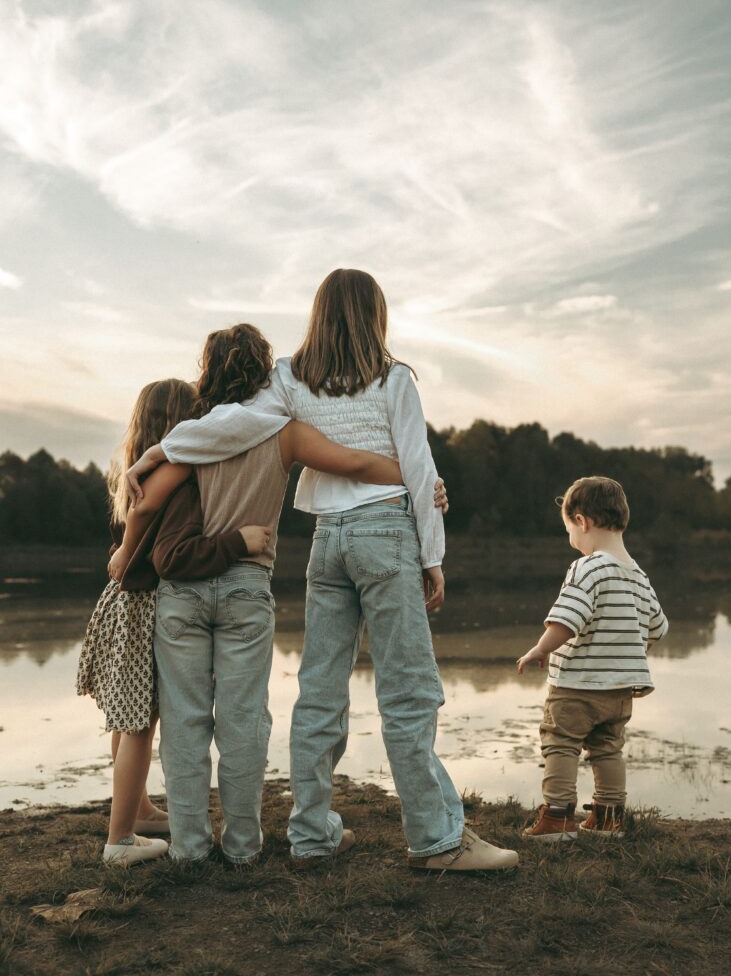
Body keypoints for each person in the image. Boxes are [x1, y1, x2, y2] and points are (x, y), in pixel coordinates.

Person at [126, 270, 519, 872]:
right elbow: (416, 463)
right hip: (386, 534)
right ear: (376, 317)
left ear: (317, 315)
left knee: (319, 693)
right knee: (408, 691)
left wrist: (162, 449)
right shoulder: (395, 381)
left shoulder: (288, 377)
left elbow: (232, 424)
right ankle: (438, 841)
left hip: (326, 543)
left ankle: (312, 833)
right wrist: (432, 556)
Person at [117, 322, 413, 864]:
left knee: (183, 721)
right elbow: (356, 463)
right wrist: (417, 477)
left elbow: (146, 502)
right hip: (246, 590)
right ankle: (243, 847)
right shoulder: (285, 431)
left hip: (181, 596)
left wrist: (127, 537)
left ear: (208, 371)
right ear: (265, 371)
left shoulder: (196, 433)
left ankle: (187, 849)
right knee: (244, 721)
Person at [77, 378, 271, 866]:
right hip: (144, 605)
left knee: (127, 719)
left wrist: (121, 549)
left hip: (122, 602)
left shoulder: (136, 475)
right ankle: (120, 839)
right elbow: (172, 554)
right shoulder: (178, 476)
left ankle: (137, 809)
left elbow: (138, 529)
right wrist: (235, 541)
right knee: (141, 724)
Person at [516, 476, 669, 841]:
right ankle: (608, 818)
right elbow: (659, 628)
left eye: (569, 528)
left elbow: (566, 620)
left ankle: (557, 818)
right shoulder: (639, 577)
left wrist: (540, 648)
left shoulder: (588, 567)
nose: (571, 537)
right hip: (620, 692)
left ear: (582, 521)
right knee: (607, 748)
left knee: (560, 743)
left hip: (577, 684)